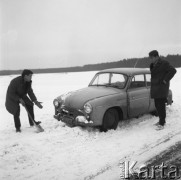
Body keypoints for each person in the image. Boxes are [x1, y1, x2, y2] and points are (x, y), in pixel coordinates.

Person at [149, 50, 176, 130]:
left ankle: (162, 123)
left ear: (156, 56)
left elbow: (173, 70)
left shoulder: (164, 63)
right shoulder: (153, 64)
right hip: (155, 88)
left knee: (161, 106)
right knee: (157, 105)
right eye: (149, 58)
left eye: (151, 58)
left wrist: (165, 80)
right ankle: (161, 120)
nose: (150, 59)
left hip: (161, 88)